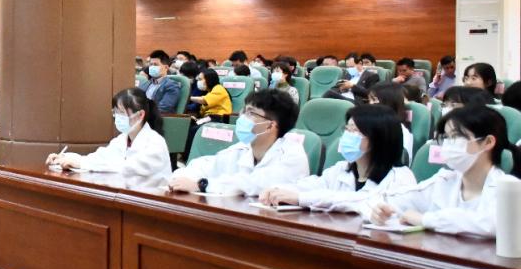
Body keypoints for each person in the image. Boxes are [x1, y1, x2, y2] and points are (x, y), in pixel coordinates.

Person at [366, 105, 521, 237]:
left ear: (488, 142)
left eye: (456, 137)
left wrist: (425, 219)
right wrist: (378, 209)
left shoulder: (509, 188)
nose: (448, 144)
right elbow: (390, 198)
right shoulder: (444, 181)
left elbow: (493, 224)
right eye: (446, 137)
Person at [259, 105, 415, 211]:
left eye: (355, 131)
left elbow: (363, 201)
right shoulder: (341, 169)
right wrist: (278, 190)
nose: (347, 135)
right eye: (347, 129)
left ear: (379, 139)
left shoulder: (401, 177)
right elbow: (314, 185)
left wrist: (301, 198)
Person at [168, 89, 308, 197]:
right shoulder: (242, 148)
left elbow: (254, 184)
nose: (242, 118)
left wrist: (202, 185)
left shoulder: (292, 154)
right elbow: (205, 165)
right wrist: (180, 179)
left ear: (270, 125)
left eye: (251, 113)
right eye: (244, 111)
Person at [46, 88, 171, 191]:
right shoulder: (121, 139)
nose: (117, 117)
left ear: (140, 115)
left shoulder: (155, 143)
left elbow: (126, 167)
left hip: (151, 201)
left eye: (121, 113)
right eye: (115, 112)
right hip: (125, 196)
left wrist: (81, 163)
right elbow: (99, 158)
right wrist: (65, 158)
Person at [368, 82, 414, 162]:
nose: (370, 104)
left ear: (389, 102)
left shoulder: (401, 132)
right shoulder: (370, 124)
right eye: (369, 100)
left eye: (374, 100)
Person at [139, 49, 181, 114]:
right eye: (151, 64)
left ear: (166, 67)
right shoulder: (145, 84)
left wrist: (140, 113)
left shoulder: (172, 86)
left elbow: (163, 108)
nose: (152, 67)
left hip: (155, 117)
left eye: (155, 65)